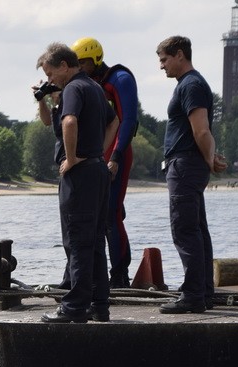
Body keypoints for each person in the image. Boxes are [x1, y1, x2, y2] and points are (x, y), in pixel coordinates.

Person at [35, 43, 119, 323]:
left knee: (77, 241)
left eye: (50, 73)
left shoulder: (73, 89)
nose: (49, 80)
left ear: (64, 66)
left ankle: (74, 307)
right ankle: (99, 304)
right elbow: (114, 121)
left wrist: (72, 159)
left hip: (80, 176)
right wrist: (96, 153)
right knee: (95, 241)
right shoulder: (93, 87)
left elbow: (69, 122)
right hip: (97, 172)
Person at [156, 36, 227, 314]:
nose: (162, 66)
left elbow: (201, 129)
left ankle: (193, 295)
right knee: (197, 229)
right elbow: (202, 132)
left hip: (184, 165)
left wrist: (209, 158)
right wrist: (210, 157)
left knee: (185, 229)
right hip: (188, 163)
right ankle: (203, 293)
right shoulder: (191, 85)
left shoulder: (191, 85)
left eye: (164, 59)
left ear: (180, 55)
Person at [73, 37, 139, 288]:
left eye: (83, 62)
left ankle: (119, 274)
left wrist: (116, 157)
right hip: (96, 155)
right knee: (100, 215)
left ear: (95, 59)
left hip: (116, 154)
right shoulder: (87, 83)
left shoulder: (119, 79)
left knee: (112, 213)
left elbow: (128, 120)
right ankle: (98, 273)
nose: (80, 67)